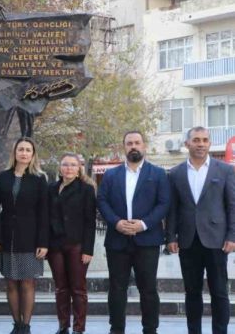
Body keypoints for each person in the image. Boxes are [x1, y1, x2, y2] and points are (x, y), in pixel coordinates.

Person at [97, 131, 170, 334]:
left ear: (144, 145)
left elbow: (164, 203)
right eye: (129, 143)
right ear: (124, 147)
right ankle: (117, 329)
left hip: (147, 240)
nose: (133, 146)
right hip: (117, 240)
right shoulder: (111, 175)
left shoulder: (157, 174)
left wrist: (144, 224)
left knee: (148, 289)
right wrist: (116, 222)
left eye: (137, 142)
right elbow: (102, 201)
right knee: (116, 289)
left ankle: (150, 329)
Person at [166, 126, 235, 334]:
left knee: (220, 293)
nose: (201, 144)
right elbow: (172, 208)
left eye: (205, 140)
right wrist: (171, 236)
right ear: (187, 144)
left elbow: (232, 205)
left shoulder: (224, 170)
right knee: (192, 293)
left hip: (216, 240)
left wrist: (232, 235)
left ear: (210, 143)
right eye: (196, 140)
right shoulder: (175, 173)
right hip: (188, 240)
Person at [0, 137, 48, 334]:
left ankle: (26, 326)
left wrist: (43, 241)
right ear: (15, 153)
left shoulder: (39, 178)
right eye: (21, 149)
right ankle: (16, 324)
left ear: (33, 155)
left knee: (27, 282)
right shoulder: (3, 177)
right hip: (8, 237)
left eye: (28, 150)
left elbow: (44, 212)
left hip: (30, 237)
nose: (24, 153)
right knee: (10, 282)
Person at [46, 153, 96, 334]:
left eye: (73, 165)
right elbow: (45, 217)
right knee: (61, 288)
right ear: (60, 167)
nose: (68, 168)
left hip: (77, 245)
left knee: (78, 288)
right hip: (55, 245)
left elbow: (91, 222)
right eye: (65, 164)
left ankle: (79, 328)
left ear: (78, 169)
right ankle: (63, 325)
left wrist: (88, 249)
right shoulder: (51, 188)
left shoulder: (86, 189)